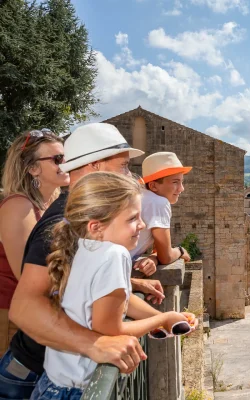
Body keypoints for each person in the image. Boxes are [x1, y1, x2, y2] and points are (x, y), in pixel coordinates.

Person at [1, 123, 163, 400]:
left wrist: (163, 320)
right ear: (96, 167)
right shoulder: (61, 221)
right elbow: (24, 307)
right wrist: (95, 344)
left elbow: (88, 289)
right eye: (123, 166)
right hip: (33, 375)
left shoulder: (79, 214)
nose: (130, 175)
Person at [30, 172, 197, 399]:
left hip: (52, 382)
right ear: (96, 226)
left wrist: (168, 316)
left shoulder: (82, 246)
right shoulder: (113, 255)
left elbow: (122, 301)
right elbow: (109, 329)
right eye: (132, 219)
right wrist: (159, 321)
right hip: (76, 390)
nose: (142, 225)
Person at [0, 129, 70, 355]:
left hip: (36, 315)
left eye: (66, 156)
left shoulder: (53, 202)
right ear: (32, 168)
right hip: (11, 318)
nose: (66, 163)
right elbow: (26, 274)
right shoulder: (18, 207)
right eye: (58, 159)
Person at [130, 152, 192, 265]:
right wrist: (181, 251)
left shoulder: (139, 196)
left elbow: (158, 252)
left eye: (181, 182)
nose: (181, 188)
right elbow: (166, 257)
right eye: (175, 182)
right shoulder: (159, 202)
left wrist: (153, 258)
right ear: (153, 186)